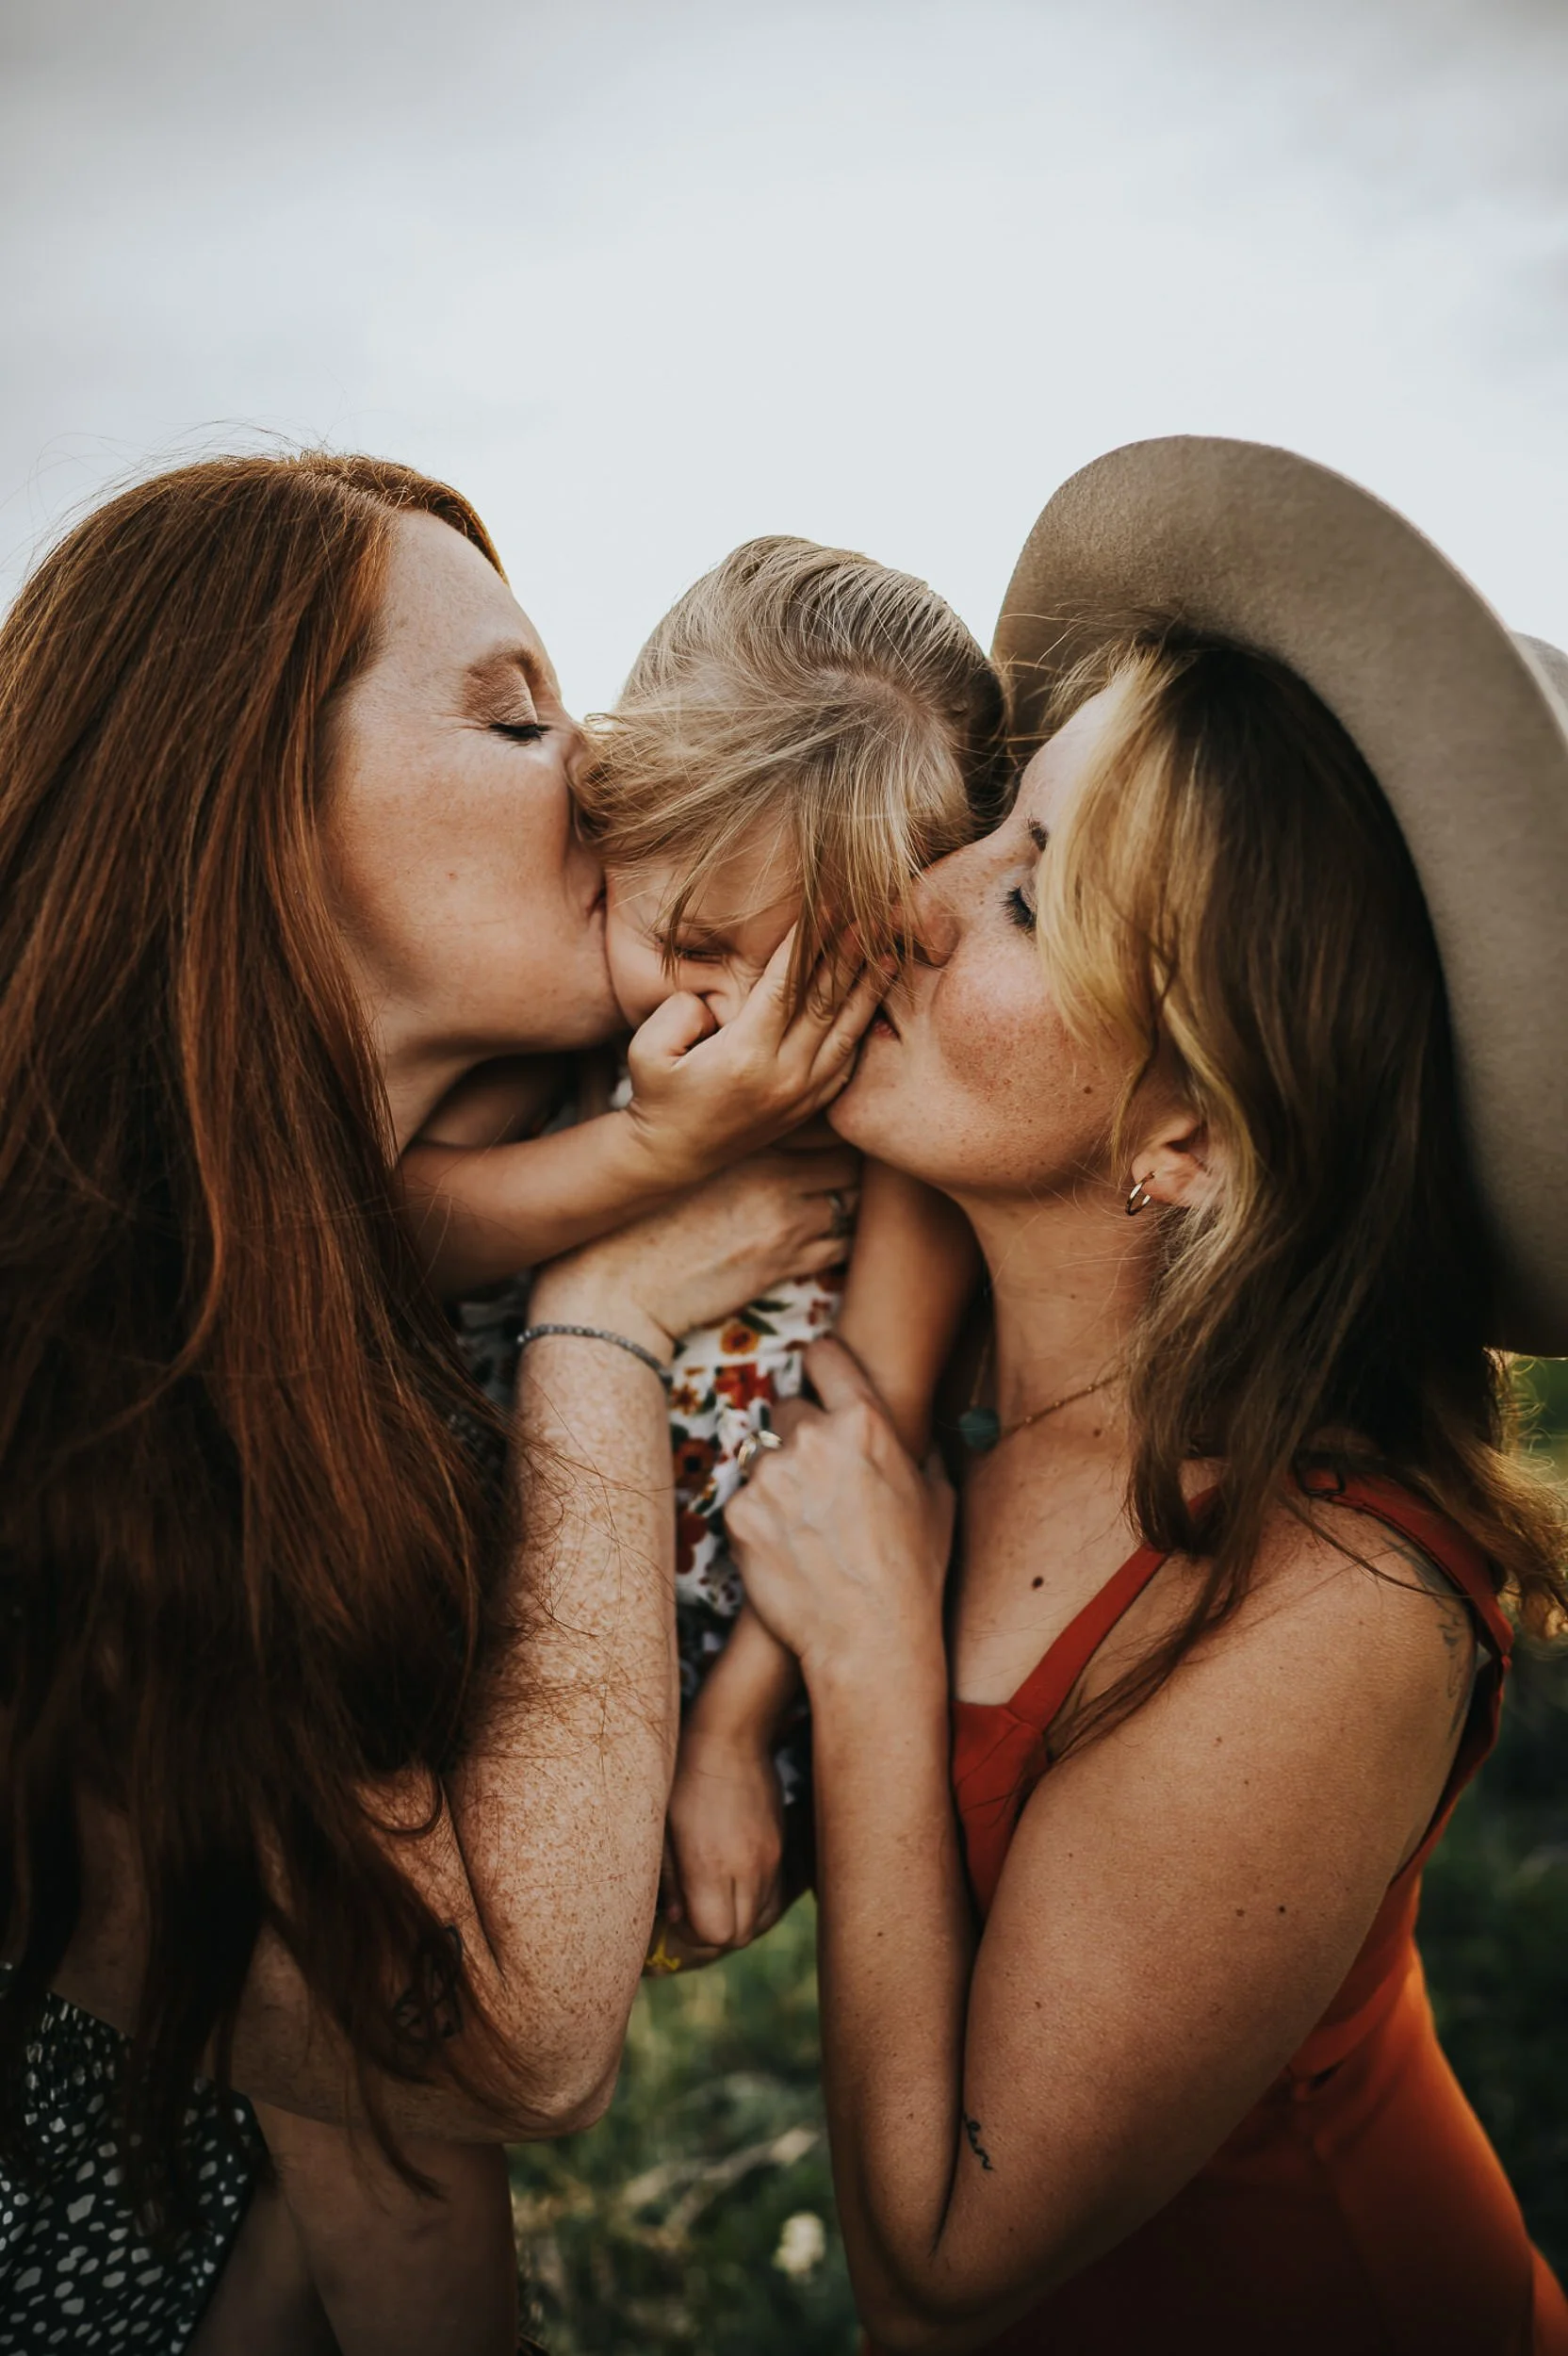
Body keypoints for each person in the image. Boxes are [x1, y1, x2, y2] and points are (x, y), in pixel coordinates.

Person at [0, 451, 869, 2351]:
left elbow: (366, 2145)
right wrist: (612, 1319)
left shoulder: (326, 1325)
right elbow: (497, 2030)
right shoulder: (65, 1388)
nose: (599, 765)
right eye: (510, 711)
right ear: (231, 791)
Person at [723, 440, 1568, 2352]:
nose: (926, 895)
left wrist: (863, 1646)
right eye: (1002, 824)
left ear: (1188, 1129)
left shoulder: (1340, 1599)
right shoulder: (916, 1325)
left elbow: (940, 2264)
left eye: (1031, 901)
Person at [404, 535, 1000, 1958]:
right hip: (493, 1610)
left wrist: (723, 1738)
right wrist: (652, 1152)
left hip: (747, 1657)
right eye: (692, 945)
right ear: (610, 812)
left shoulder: (886, 1133)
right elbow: (397, 1230)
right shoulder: (558, 1052)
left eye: (808, 983)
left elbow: (877, 1427)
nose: (732, 1030)